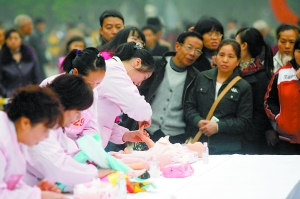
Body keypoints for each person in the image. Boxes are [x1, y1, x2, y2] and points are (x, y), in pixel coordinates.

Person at [24, 75, 115, 191]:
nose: (79, 117)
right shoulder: (40, 125)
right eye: (77, 111)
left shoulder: (56, 126)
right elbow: (58, 166)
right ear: (63, 106)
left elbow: (68, 155)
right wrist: (95, 172)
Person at [121, 31, 203, 146]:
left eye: (198, 51)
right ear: (178, 46)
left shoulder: (196, 77)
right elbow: (136, 93)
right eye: (189, 47)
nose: (192, 53)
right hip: (147, 132)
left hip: (176, 137)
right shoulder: (156, 64)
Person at [185, 39, 253, 154]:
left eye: (231, 56)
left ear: (238, 61)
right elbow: (189, 106)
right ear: (215, 57)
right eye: (221, 55)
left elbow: (244, 121)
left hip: (227, 147)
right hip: (199, 145)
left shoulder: (243, 86)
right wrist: (198, 121)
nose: (225, 60)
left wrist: (218, 127)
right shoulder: (202, 77)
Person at [0, 85, 66, 199]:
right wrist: (38, 195)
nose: (45, 137)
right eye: (45, 130)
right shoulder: (3, 138)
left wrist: (33, 191)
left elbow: (9, 184)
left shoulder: (17, 136)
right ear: (25, 123)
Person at [97, 42, 155, 150]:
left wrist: (126, 135)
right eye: (144, 77)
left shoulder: (112, 70)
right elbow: (137, 106)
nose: (139, 84)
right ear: (137, 62)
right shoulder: (113, 72)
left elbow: (100, 120)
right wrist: (145, 117)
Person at [41, 47, 106, 140]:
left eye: (98, 83)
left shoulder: (93, 92)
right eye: (90, 83)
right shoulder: (53, 85)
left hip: (76, 147)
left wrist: (89, 146)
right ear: (76, 72)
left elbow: (90, 126)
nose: (93, 87)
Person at [235, 27, 275, 154]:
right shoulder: (231, 70)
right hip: (230, 135)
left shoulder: (261, 76)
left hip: (249, 141)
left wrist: (248, 138)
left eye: (236, 42)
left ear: (244, 46)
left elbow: (261, 112)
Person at [264, 36, 300, 155]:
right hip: (287, 139)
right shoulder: (281, 73)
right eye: (299, 51)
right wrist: (280, 117)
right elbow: (269, 101)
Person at [0, 29, 42, 97]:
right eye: (10, 39)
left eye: (16, 38)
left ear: (20, 40)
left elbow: (37, 76)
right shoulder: (2, 58)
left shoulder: (29, 55)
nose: (13, 41)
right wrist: (6, 93)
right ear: (6, 41)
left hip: (30, 95)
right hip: (10, 96)